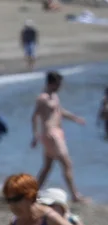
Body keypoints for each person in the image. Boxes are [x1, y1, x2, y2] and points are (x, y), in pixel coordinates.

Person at [31, 72, 84, 200]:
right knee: (67, 164)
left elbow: (60, 111)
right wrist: (35, 135)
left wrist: (75, 118)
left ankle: (33, 193)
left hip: (56, 133)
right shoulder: (42, 98)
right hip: (51, 134)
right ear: (51, 83)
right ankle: (75, 195)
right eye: (58, 84)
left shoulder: (54, 96)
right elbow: (34, 116)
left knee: (47, 167)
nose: (60, 86)